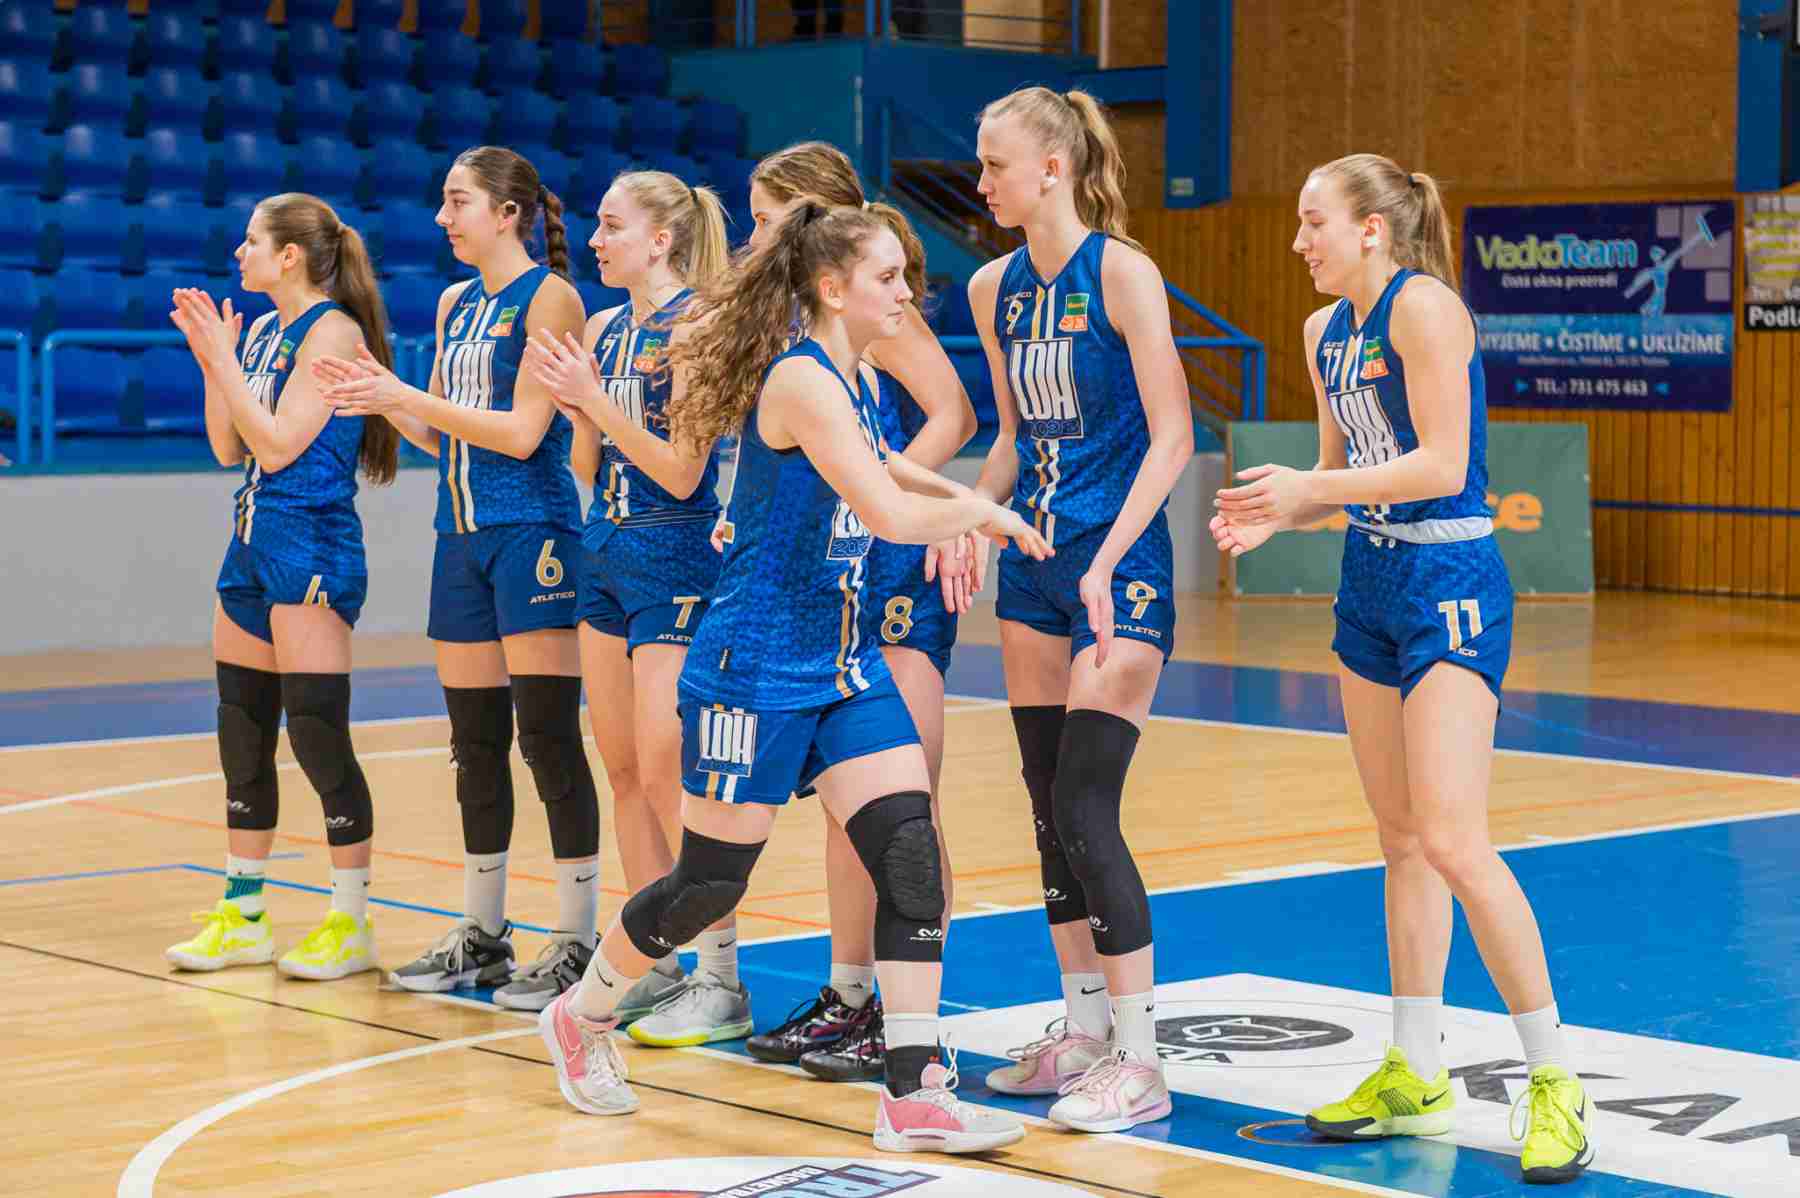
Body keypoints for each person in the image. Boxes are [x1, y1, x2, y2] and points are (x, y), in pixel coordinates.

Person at [540, 204, 1043, 1157]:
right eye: (888, 278)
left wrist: (970, 497)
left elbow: (888, 466)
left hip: (843, 668)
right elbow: (888, 513)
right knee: (705, 884)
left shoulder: (853, 376)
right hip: (756, 668)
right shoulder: (801, 378)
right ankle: (582, 1014)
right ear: (830, 288)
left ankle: (914, 1092)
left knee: (910, 857)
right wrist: (984, 519)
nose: (907, 293)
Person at [1212, 152, 1593, 1185]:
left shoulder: (1425, 310)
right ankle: (1416, 1068)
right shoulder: (1321, 331)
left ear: (1372, 229)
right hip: (1370, 580)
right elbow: (1345, 476)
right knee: (1402, 842)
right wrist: (1280, 511)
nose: (1300, 241)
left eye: (1315, 222)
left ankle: (1555, 1079)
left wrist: (1310, 492)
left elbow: (1439, 462)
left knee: (1457, 839)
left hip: (1449, 580)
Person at [314, 147, 603, 1007]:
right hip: (460, 535)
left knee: (546, 736)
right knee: (473, 742)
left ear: (508, 213)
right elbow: (442, 434)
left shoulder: (551, 297)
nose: (442, 218)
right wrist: (379, 395)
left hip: (533, 532)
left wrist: (402, 393)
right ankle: (483, 932)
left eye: (458, 202)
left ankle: (578, 939)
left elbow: (521, 433)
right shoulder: (453, 302)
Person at [966, 86, 1192, 1133]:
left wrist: (1106, 559)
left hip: (1120, 561)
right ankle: (1085, 1030)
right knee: (1044, 798)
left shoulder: (1123, 273)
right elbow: (1013, 438)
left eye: (995, 164)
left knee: (1087, 803)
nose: (980, 182)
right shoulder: (993, 288)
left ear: (1052, 168)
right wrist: (973, 518)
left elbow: (1173, 434)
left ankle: (1142, 1061)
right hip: (1035, 564)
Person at [732, 141, 980, 1084]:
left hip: (894, 563)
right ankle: (850, 996)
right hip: (842, 562)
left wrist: (894, 496)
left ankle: (912, 1017)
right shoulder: (794, 329)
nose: (753, 234)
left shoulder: (874, 306)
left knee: (905, 805)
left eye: (764, 217)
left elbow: (952, 413)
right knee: (848, 807)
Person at [519, 168, 742, 1027]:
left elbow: (684, 471)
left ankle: (721, 976)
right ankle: (654, 961)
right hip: (605, 550)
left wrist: (593, 401)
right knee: (622, 773)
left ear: (661, 239)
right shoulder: (604, 327)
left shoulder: (701, 323)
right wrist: (578, 412)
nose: (596, 240)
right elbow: (589, 465)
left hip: (675, 553)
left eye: (612, 226)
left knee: (666, 771)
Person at [163, 193, 398, 982]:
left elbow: (279, 445)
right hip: (251, 543)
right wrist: (214, 363)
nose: (240, 252)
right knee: (242, 730)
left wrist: (223, 362)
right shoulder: (266, 330)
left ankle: (350, 921)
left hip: (312, 546)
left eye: (252, 241)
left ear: (289, 255)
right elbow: (229, 446)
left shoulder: (333, 333)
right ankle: (244, 913)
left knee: (318, 736)